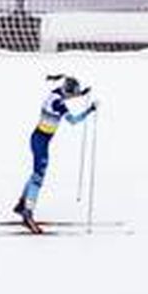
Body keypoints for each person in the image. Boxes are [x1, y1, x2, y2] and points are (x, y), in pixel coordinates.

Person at [14, 74, 96, 231]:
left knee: (35, 174)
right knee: (38, 178)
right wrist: (90, 110)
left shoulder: (56, 93)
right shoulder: (59, 104)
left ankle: (22, 203)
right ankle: (27, 213)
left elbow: (66, 94)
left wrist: (81, 94)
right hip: (41, 142)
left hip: (37, 137)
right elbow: (73, 121)